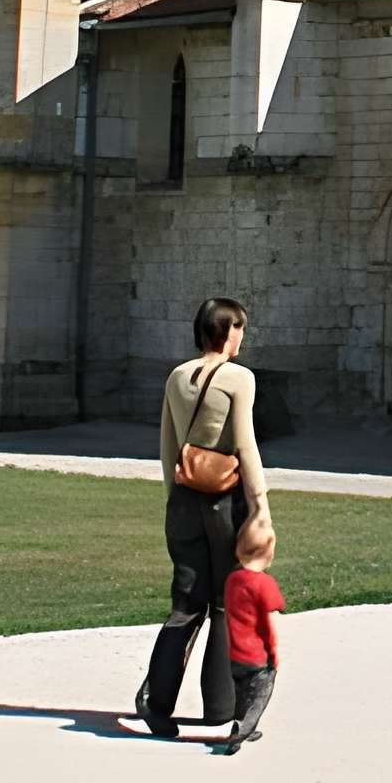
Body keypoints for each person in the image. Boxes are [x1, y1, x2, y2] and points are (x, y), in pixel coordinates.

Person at [134, 296, 270, 736]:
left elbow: (167, 444)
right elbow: (245, 445)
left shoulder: (177, 377)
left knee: (186, 603)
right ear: (225, 331)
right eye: (239, 329)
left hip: (184, 499)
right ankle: (221, 707)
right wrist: (261, 506)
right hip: (225, 501)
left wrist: (177, 497)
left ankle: (158, 702)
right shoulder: (239, 378)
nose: (242, 338)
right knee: (227, 604)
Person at [215, 515, 284, 755]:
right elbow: (268, 619)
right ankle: (243, 729)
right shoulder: (264, 583)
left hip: (235, 653)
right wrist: (273, 654)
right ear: (266, 553)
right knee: (261, 692)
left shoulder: (232, 580)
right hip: (257, 655)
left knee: (241, 691)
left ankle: (242, 724)